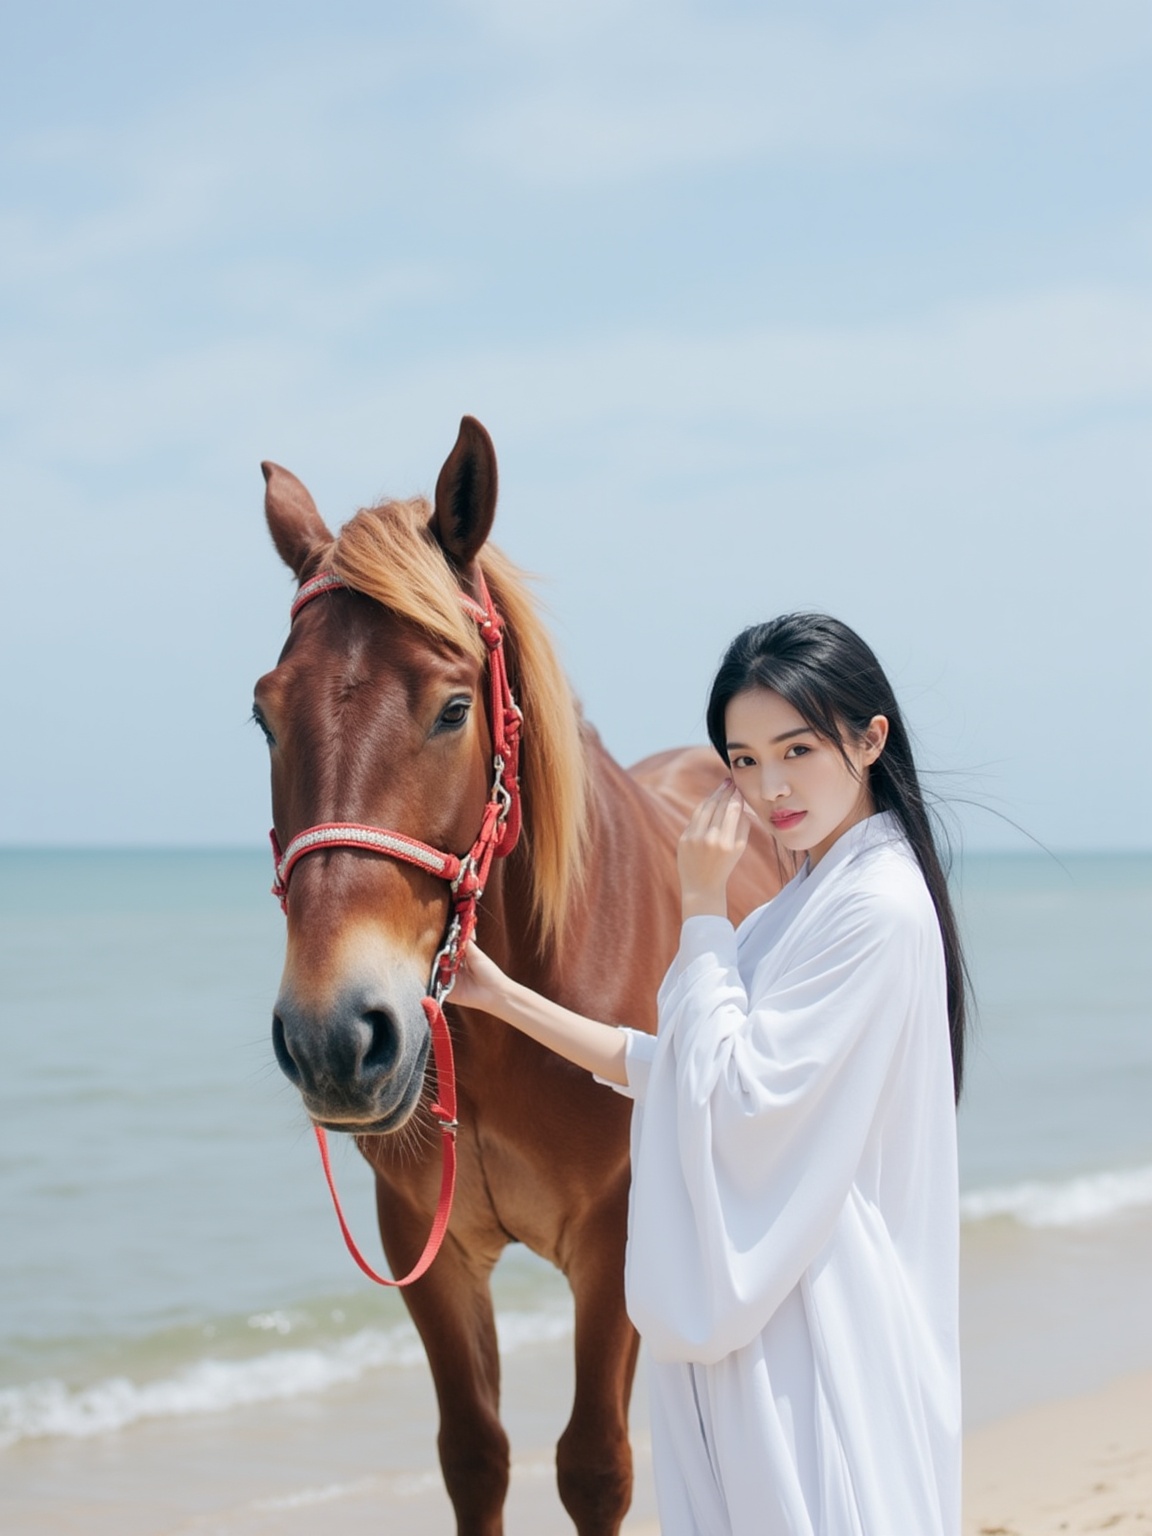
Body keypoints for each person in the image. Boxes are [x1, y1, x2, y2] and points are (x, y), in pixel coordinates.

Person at [452, 612, 964, 1536]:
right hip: (774, 1304)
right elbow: (676, 1068)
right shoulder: (806, 900)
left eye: (797, 750)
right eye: (744, 760)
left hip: (812, 1320)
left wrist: (699, 905)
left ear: (869, 739)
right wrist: (501, 997)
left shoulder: (877, 909)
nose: (771, 788)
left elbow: (732, 1099)